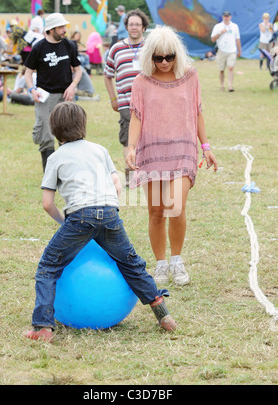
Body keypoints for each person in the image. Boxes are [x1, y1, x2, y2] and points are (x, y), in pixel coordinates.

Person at [22, 101, 177, 342]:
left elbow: (47, 203)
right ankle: (163, 314)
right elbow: (117, 186)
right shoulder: (99, 149)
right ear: (83, 125)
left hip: (79, 217)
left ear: (55, 130)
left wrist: (65, 222)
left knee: (48, 266)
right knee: (131, 264)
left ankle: (42, 326)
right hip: (109, 212)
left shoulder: (55, 157)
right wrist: (106, 213)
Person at [126, 26, 218, 286]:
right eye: (158, 58)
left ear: (177, 54)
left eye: (169, 57)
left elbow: (197, 112)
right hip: (152, 151)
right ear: (149, 57)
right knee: (156, 211)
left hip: (182, 151)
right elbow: (136, 116)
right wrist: (131, 147)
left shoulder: (190, 77)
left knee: (176, 207)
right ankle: (161, 263)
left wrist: (206, 147)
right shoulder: (141, 82)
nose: (164, 62)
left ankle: (177, 260)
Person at [24, 12, 82, 172]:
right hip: (45, 97)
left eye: (64, 26)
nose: (64, 30)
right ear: (51, 29)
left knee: (69, 133)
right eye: (61, 27)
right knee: (45, 135)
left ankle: (68, 171)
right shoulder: (39, 47)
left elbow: (78, 70)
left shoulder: (69, 45)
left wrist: (73, 85)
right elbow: (27, 72)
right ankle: (49, 174)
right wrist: (32, 89)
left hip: (66, 96)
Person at [104, 8, 149, 186]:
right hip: (125, 102)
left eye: (138, 24)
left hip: (149, 102)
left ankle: (147, 173)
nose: (134, 27)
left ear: (144, 27)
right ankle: (131, 176)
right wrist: (112, 98)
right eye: (131, 24)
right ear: (126, 27)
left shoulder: (151, 47)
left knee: (148, 137)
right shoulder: (116, 48)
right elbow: (107, 75)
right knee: (128, 138)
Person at [211, 11, 241, 92]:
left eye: (227, 16)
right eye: (225, 16)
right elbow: (213, 39)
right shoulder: (218, 26)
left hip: (232, 50)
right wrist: (220, 32)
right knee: (221, 70)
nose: (226, 18)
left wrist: (239, 50)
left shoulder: (234, 26)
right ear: (223, 17)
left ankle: (230, 86)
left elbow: (237, 39)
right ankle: (222, 85)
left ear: (230, 17)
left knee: (231, 67)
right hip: (221, 50)